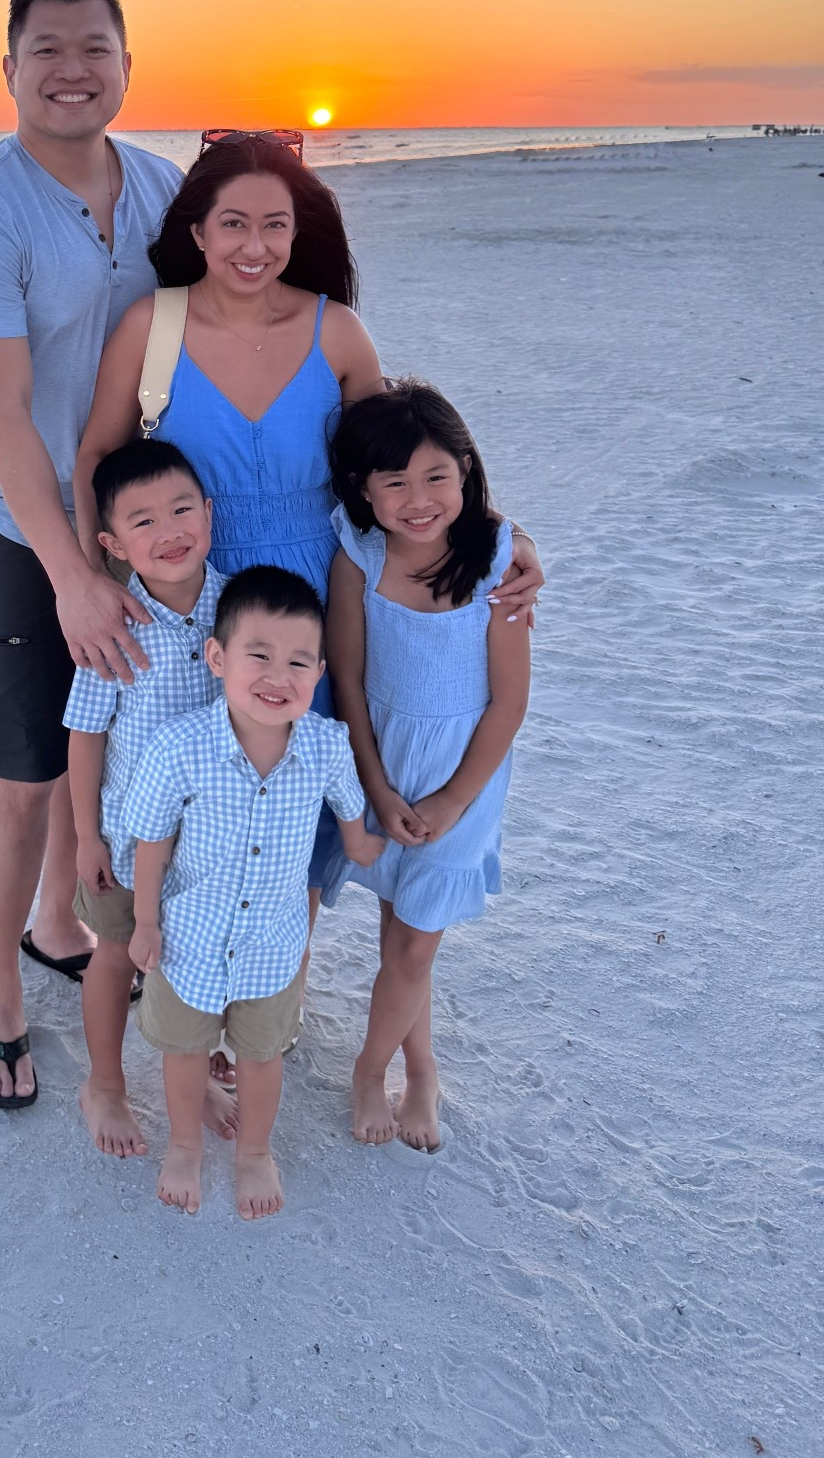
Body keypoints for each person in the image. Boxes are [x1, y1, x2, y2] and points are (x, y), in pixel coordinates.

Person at [75, 134, 545, 991]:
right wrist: (93, 587)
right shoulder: (153, 325)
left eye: (276, 225)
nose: (255, 246)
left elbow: (401, 465)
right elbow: (98, 460)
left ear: (298, 232)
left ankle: (263, 988)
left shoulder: (337, 329)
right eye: (234, 223)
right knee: (200, 792)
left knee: (297, 802)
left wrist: (505, 532)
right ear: (197, 230)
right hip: (197, 604)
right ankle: (188, 979)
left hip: (321, 603)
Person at [0, 0, 183, 1110]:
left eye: (95, 47)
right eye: (47, 50)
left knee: (114, 753)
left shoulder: (167, 185)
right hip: (27, 528)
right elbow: (7, 421)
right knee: (26, 769)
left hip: (147, 518)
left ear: (129, 64)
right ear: (11, 69)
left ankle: (55, 923)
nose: (72, 69)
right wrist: (72, 574)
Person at [121, 566, 385, 1220]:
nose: (279, 676)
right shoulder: (179, 747)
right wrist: (145, 922)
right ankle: (185, 1144)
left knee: (263, 1057)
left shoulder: (326, 744)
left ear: (319, 673)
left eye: (299, 661)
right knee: (185, 1053)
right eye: (258, 655)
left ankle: (254, 1152)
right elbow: (151, 841)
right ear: (217, 657)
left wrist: (361, 845)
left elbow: (349, 806)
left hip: (273, 942)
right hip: (189, 937)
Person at [322, 380, 532, 1153]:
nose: (419, 499)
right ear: (361, 489)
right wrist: (375, 788)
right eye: (395, 482)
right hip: (382, 763)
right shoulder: (358, 554)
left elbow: (508, 705)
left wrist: (450, 802)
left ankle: (374, 1071)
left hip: (463, 780)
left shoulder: (497, 563)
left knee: (414, 942)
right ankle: (423, 1057)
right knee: (400, 933)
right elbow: (345, 678)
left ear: (468, 472)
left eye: (438, 476)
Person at [63, 438, 236, 1157]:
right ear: (112, 545)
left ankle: (193, 1078)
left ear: (210, 512)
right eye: (143, 522)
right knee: (115, 956)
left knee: (198, 958)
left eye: (182, 509)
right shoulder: (116, 623)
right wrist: (86, 839)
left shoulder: (239, 605)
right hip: (128, 838)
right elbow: (84, 734)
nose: (169, 531)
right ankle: (104, 1083)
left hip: (209, 840)